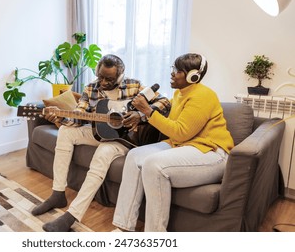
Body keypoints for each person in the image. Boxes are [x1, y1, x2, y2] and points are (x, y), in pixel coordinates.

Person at [31, 54, 171, 232]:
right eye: (101, 77)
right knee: (65, 131)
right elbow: (79, 115)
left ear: (120, 76)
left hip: (125, 139)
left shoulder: (134, 86)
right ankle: (58, 193)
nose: (103, 82)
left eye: (109, 79)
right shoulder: (91, 88)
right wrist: (60, 116)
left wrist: (140, 115)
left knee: (102, 155)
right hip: (100, 133)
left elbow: (165, 102)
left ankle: (72, 215)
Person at [112, 53, 234, 232]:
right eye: (173, 68)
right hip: (183, 145)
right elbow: (165, 118)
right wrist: (141, 114)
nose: (172, 73)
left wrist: (147, 111)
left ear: (193, 76)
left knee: (154, 165)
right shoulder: (179, 94)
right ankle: (123, 226)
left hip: (211, 152)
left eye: (177, 70)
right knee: (134, 155)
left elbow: (180, 132)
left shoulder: (203, 95)